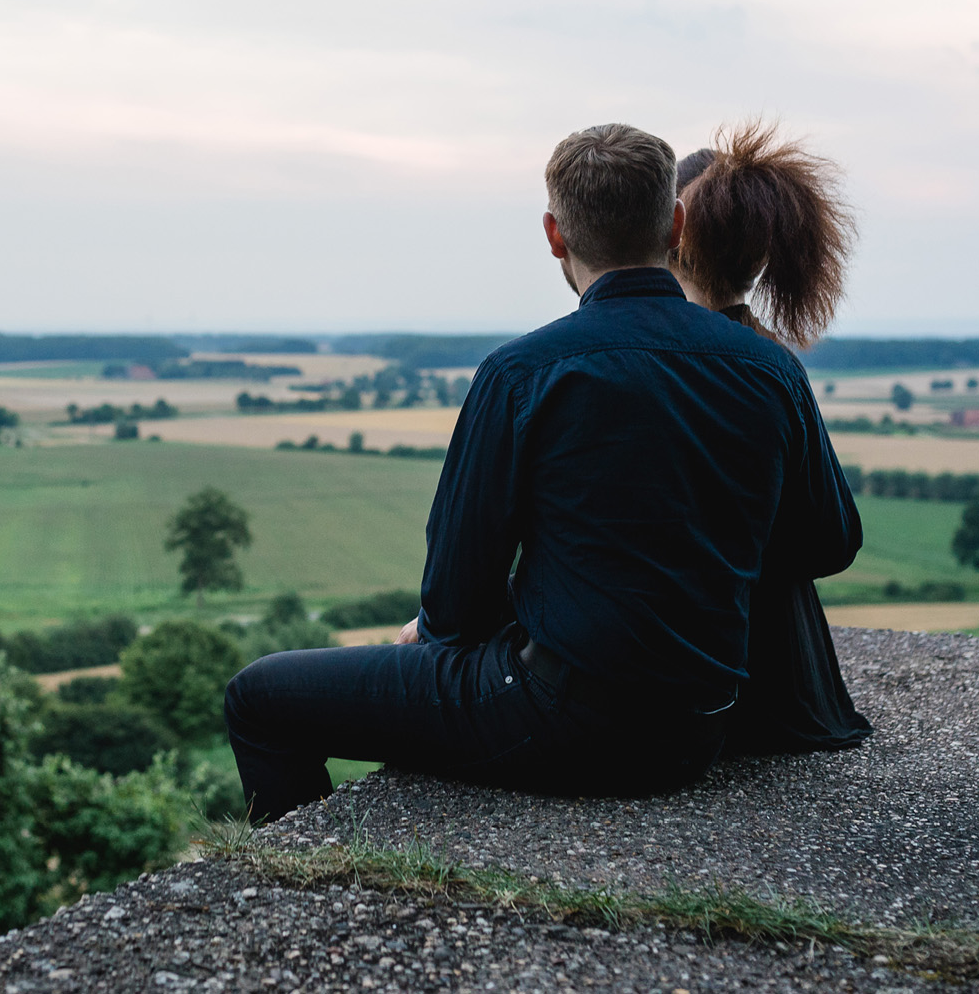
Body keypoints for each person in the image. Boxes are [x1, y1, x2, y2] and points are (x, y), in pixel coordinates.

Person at [224, 122, 861, 823]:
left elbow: (456, 601)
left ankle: (315, 894)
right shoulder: (769, 367)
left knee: (260, 699)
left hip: (568, 725)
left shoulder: (522, 372)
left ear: (555, 235)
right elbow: (830, 542)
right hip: (704, 725)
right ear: (673, 222)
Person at [669, 121, 871, 754]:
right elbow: (834, 539)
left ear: (669, 235)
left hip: (691, 678)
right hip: (787, 682)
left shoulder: (658, 362)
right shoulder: (771, 363)